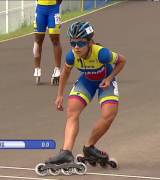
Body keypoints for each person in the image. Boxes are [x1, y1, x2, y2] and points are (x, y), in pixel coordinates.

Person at [45, 21, 126, 165]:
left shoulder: (102, 54)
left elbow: (122, 61)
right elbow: (65, 73)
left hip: (104, 80)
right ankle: (66, 152)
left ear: (89, 43)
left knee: (109, 114)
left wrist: (110, 78)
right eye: (73, 43)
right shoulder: (71, 56)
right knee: (72, 112)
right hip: (87, 80)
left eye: (81, 43)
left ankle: (89, 146)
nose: (76, 47)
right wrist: (59, 95)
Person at [33, 0, 63, 85]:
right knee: (38, 39)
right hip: (40, 9)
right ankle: (37, 68)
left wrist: (57, 4)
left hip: (53, 9)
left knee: (55, 39)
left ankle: (57, 68)